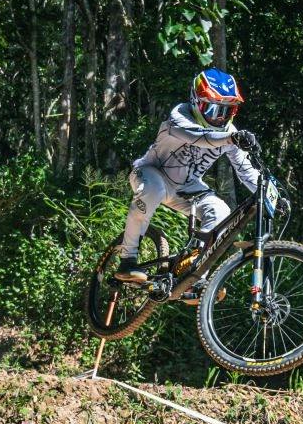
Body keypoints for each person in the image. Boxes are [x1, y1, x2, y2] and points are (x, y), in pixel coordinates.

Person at [115, 67, 269, 284]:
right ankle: (127, 260)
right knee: (155, 189)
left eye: (227, 111)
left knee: (221, 212)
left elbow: (246, 171)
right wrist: (232, 138)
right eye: (214, 110)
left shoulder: (230, 134)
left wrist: (272, 197)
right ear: (196, 102)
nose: (220, 118)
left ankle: (193, 274)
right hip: (150, 173)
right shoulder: (179, 116)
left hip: (186, 187)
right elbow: (201, 137)